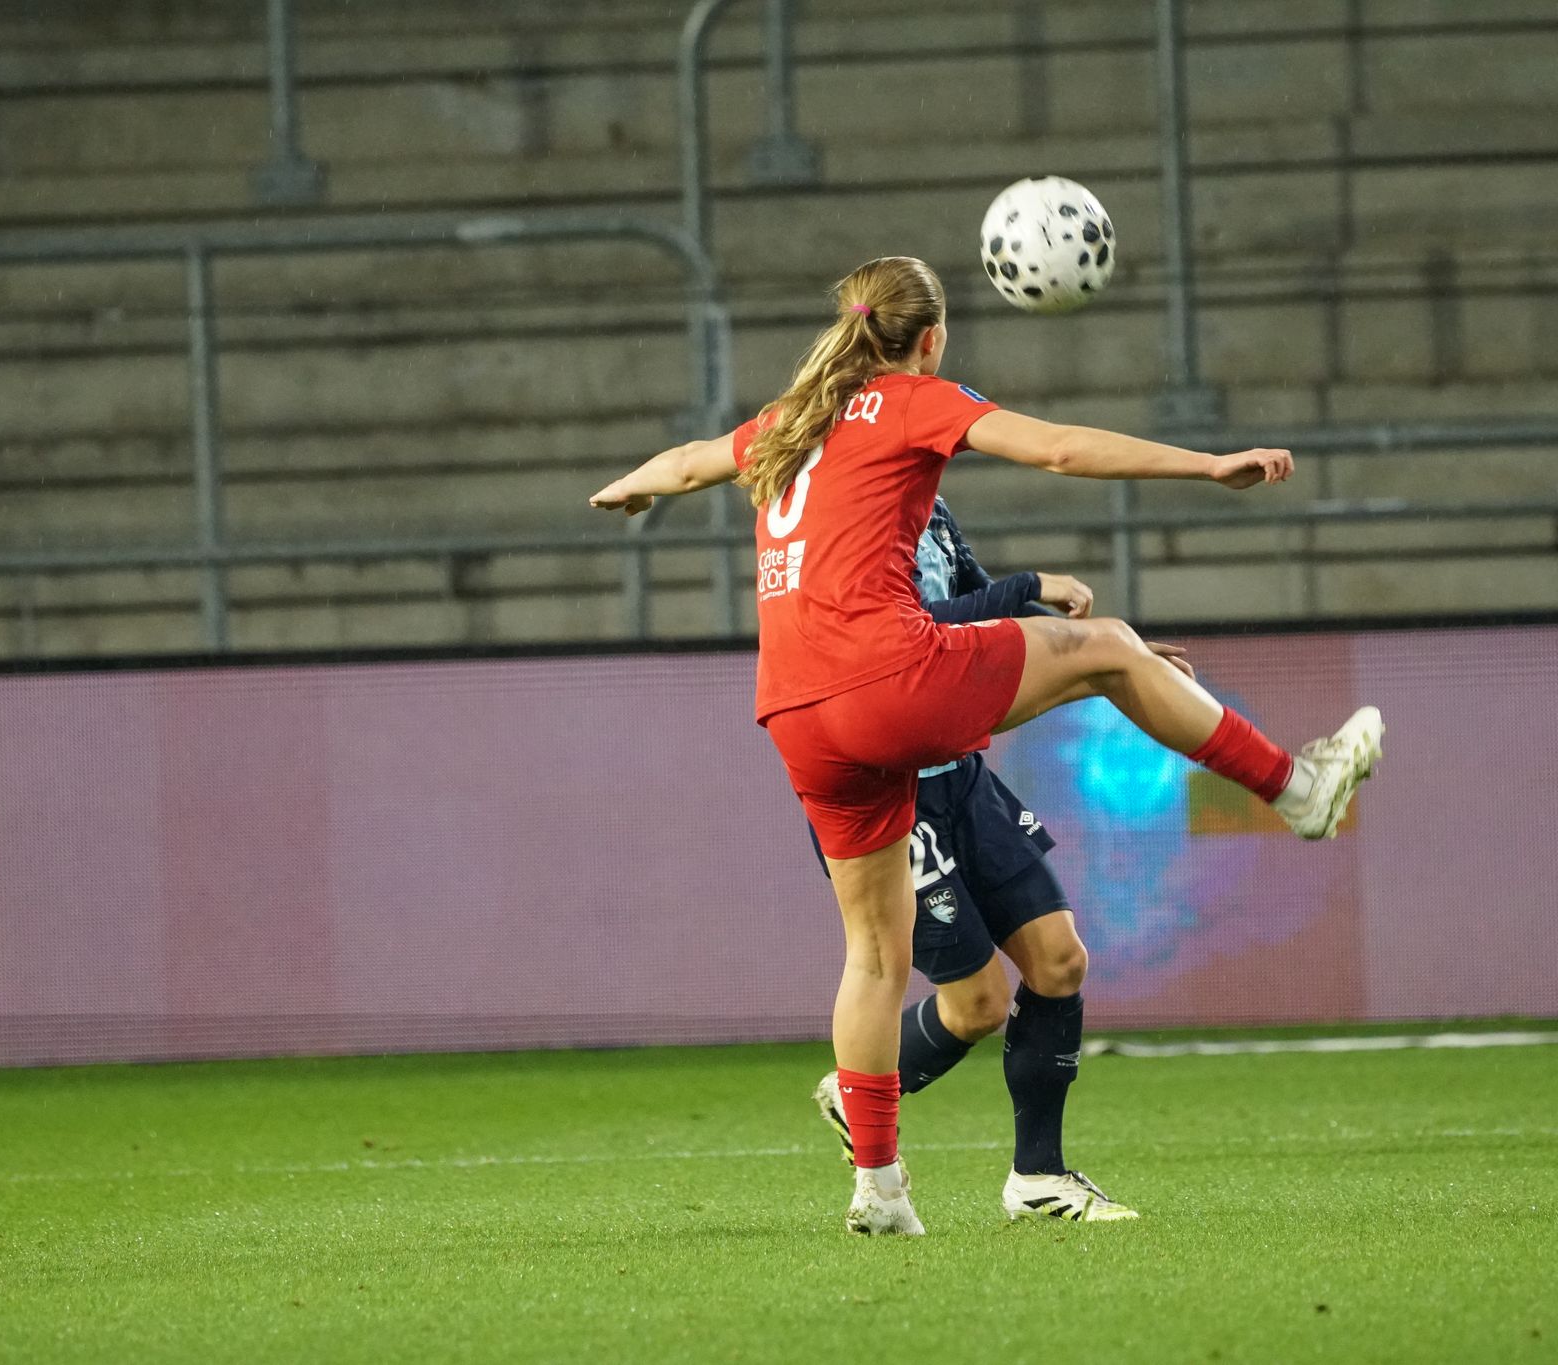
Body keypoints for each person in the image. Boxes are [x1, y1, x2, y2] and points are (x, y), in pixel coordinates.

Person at [589, 255, 1383, 1236]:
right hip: (886, 680)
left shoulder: (788, 423)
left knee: (871, 957)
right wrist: (1207, 465)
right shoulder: (911, 400)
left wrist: (629, 489)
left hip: (795, 714)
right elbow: (1059, 449)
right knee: (1107, 647)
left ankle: (880, 1188)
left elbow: (684, 464)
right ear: (928, 338)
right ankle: (1296, 787)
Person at [802, 497, 1134, 1222]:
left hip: (964, 776)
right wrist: (1031, 585)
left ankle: (1039, 1178)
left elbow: (976, 601)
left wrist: (1110, 659)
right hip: (890, 791)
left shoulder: (932, 506)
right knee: (977, 1002)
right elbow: (915, 631)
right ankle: (865, 1088)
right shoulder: (844, 513)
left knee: (1060, 961)